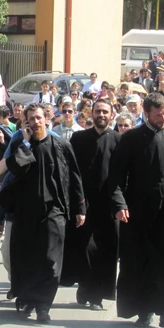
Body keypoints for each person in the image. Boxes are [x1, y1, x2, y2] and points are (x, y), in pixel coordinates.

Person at [0, 103, 86, 323]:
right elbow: (15, 169)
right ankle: (27, 299)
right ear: (24, 122)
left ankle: (43, 305)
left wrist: (80, 207)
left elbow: (74, 177)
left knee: (49, 259)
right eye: (30, 120)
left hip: (54, 211)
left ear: (46, 118)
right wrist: (25, 142)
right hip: (25, 213)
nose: (35, 123)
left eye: (38, 118)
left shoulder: (61, 144)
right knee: (25, 258)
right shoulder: (20, 145)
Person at [109, 93, 164, 328]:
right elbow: (117, 176)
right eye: (157, 114)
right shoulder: (131, 138)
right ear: (146, 114)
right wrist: (119, 204)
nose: (163, 118)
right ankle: (143, 310)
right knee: (139, 261)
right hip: (138, 211)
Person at [67, 99, 121, 310]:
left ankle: (97, 294)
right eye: (98, 111)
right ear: (92, 113)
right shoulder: (78, 138)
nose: (101, 115)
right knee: (86, 248)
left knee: (107, 250)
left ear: (111, 115)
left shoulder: (118, 140)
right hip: (84, 203)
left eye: (105, 112)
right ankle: (85, 286)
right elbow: (71, 171)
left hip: (108, 204)